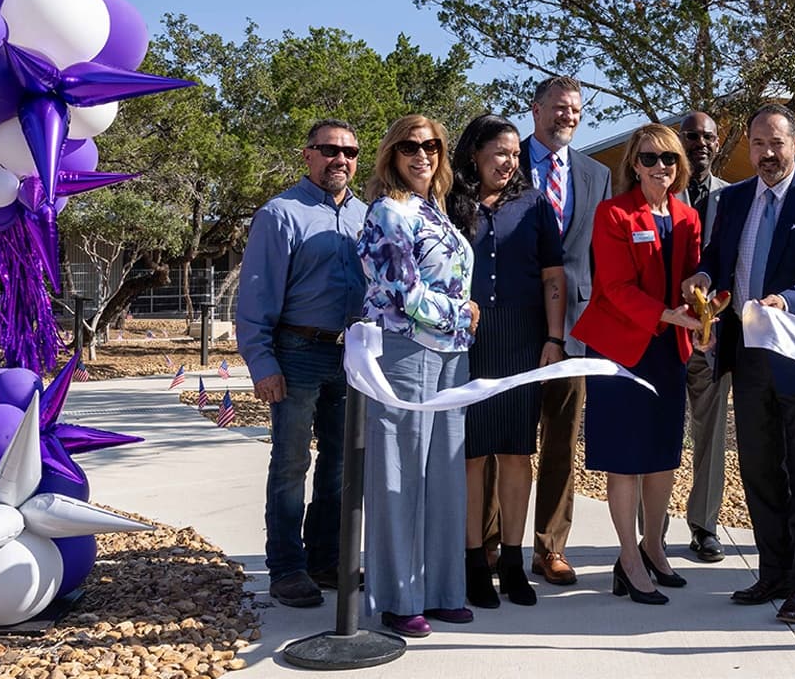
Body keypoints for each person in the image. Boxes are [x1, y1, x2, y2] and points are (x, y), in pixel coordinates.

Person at [684, 104, 795, 625]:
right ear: (748, 148)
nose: (768, 154)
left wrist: (786, 303)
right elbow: (715, 257)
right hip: (748, 358)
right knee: (759, 470)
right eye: (758, 144)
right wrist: (703, 281)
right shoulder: (730, 201)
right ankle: (773, 572)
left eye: (777, 143)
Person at [354, 115, 479, 638]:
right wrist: (462, 313)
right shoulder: (388, 210)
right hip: (406, 353)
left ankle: (443, 589)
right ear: (392, 153)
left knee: (444, 475)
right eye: (410, 145)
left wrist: (461, 320)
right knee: (400, 473)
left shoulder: (436, 212)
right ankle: (399, 598)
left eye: (431, 146)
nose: (422, 154)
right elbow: (402, 289)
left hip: (451, 355)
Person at [235, 119, 368, 609]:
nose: (341, 159)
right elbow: (256, 295)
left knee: (340, 465)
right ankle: (287, 567)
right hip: (297, 354)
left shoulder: (368, 217)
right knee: (291, 463)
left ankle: (326, 559)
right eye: (330, 149)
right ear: (308, 155)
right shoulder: (280, 213)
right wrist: (262, 362)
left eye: (351, 152)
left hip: (351, 356)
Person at [571, 125, 703, 605]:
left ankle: (653, 545)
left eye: (669, 158)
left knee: (663, 455)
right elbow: (614, 286)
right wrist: (666, 315)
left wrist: (699, 317)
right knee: (627, 458)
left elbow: (691, 282)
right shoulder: (614, 213)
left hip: (668, 349)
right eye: (649, 158)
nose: (660, 167)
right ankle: (628, 558)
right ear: (634, 163)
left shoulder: (688, 216)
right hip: (621, 348)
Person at [447, 114, 565, 611]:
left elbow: (554, 275)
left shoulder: (534, 203)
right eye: (500, 152)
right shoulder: (449, 203)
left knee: (518, 453)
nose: (510, 161)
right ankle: (475, 560)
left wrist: (554, 337)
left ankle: (514, 560)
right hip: (466, 338)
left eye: (515, 153)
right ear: (474, 152)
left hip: (523, 337)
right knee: (471, 454)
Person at [520, 75, 612, 586]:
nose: (567, 117)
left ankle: (550, 547)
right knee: (505, 438)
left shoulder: (596, 174)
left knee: (560, 442)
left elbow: (599, 256)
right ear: (535, 110)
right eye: (558, 108)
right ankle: (492, 546)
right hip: (514, 322)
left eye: (575, 110)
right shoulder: (507, 163)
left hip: (574, 331)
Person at [676, 110, 731, 563]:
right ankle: (647, 531)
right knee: (655, 432)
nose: (700, 143)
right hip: (664, 332)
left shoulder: (734, 201)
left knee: (710, 435)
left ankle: (704, 526)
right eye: (691, 136)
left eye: (707, 137)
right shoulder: (655, 196)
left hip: (713, 338)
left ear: (719, 142)